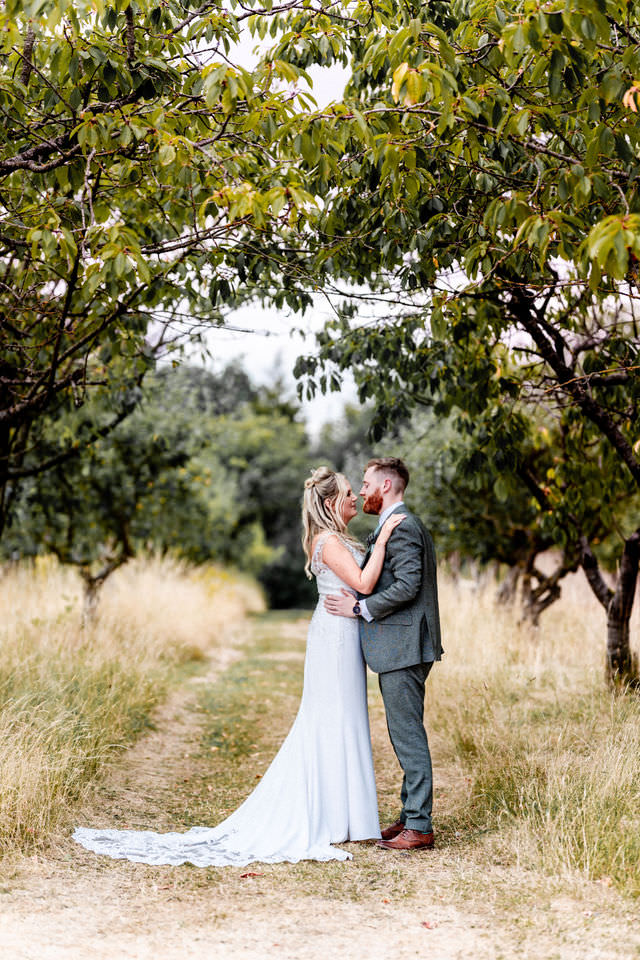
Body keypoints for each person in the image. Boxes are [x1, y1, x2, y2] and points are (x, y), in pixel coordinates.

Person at [72, 466, 404, 867]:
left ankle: (345, 818)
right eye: (350, 492)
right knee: (329, 719)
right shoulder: (328, 540)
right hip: (334, 639)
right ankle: (328, 818)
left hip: (345, 634)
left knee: (346, 719)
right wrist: (384, 537)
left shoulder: (338, 538)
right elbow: (364, 584)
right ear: (333, 501)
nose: (355, 498)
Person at [325, 457, 442, 851]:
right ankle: (410, 815)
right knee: (402, 732)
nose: (361, 491)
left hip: (404, 645)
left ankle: (420, 826)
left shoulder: (404, 526)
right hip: (401, 645)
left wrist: (360, 609)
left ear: (387, 485)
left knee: (408, 735)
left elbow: (409, 585)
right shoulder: (393, 524)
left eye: (366, 483)